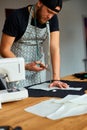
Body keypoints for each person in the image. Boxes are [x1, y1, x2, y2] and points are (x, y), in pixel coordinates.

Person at [0, 0, 68, 88]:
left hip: (38, 70)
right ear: (40, 3)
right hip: (17, 69)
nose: (50, 17)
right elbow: (4, 49)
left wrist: (56, 79)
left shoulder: (52, 18)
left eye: (54, 14)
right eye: (48, 11)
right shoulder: (16, 17)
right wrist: (24, 65)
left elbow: (54, 48)